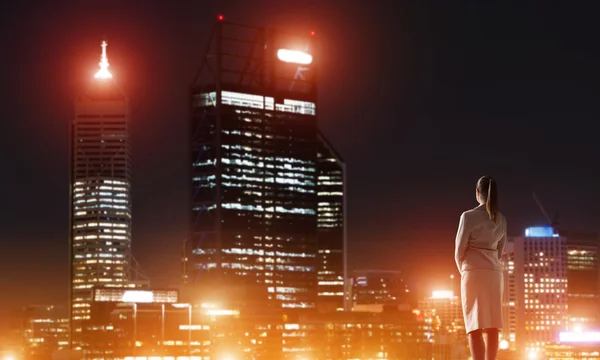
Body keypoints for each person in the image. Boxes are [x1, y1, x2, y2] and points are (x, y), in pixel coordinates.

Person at [455, 175, 507, 360]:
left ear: (478, 193)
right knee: (493, 325)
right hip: (494, 274)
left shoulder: (468, 216)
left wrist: (466, 271)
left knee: (474, 324)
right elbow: (500, 252)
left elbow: (459, 251)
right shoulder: (501, 219)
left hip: (473, 272)